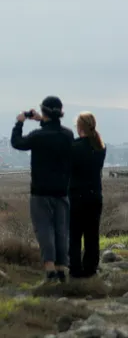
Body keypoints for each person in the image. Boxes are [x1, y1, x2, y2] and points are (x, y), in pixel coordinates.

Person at [11, 95, 74, 283]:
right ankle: (63, 268)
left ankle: (49, 268)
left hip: (40, 191)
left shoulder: (38, 136)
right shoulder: (68, 135)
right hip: (62, 190)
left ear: (43, 111)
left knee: (44, 228)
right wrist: (43, 121)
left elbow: (17, 143)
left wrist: (20, 123)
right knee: (61, 228)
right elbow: (54, 131)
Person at [68, 112, 107, 279]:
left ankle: (75, 270)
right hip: (95, 197)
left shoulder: (73, 147)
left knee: (74, 235)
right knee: (92, 235)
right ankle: (91, 269)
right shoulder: (100, 147)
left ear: (79, 127)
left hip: (76, 197)